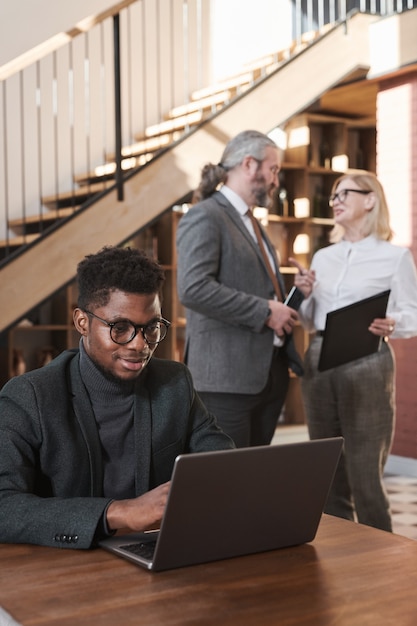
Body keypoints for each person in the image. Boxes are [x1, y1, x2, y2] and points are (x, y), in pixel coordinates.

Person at [0, 246, 234, 549]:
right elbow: (4, 505)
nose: (140, 345)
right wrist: (119, 512)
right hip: (63, 567)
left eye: (151, 327)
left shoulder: (175, 383)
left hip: (155, 554)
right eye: (120, 328)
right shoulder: (29, 397)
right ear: (82, 322)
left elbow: (222, 463)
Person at [290, 170, 417, 532]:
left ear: (370, 200)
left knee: (365, 472)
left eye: (345, 193)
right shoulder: (322, 257)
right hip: (319, 358)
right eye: (334, 196)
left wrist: (394, 322)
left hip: (369, 360)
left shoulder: (394, 257)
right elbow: (310, 321)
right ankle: (339, 555)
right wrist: (306, 295)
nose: (336, 201)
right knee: (327, 468)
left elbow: (413, 313)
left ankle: (381, 559)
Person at [176, 129, 303, 448]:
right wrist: (265, 311)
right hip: (225, 381)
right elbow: (193, 288)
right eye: (273, 169)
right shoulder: (206, 216)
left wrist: (293, 295)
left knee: (255, 479)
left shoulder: (253, 223)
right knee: (228, 484)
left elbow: (256, 288)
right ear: (249, 165)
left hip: (266, 376)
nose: (276, 180)